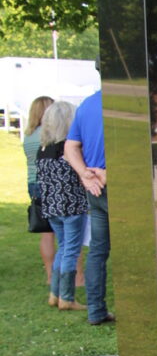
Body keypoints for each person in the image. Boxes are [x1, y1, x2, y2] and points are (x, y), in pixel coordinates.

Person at [64, 88, 115, 325]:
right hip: (114, 187)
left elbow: (70, 147)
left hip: (95, 191)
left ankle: (96, 310)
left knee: (97, 251)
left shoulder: (87, 104)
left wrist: (85, 174)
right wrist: (97, 175)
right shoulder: (127, 101)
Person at [36, 102, 88, 310]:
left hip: (52, 208)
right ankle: (67, 297)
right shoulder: (70, 150)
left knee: (63, 248)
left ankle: (55, 293)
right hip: (72, 206)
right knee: (71, 251)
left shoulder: (43, 151)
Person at [23, 96, 55, 284]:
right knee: (67, 231)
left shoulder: (28, 135)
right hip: (51, 183)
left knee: (46, 233)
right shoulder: (49, 134)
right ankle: (76, 276)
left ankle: (50, 275)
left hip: (33, 184)